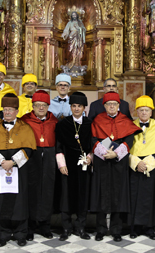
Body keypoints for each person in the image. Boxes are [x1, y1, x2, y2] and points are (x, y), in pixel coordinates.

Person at [0, 93, 37, 247]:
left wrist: (13, 162)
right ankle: (3, 234)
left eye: (11, 110)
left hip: (19, 171)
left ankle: (21, 233)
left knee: (20, 202)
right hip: (0, 171)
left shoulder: (25, 127)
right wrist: (2, 162)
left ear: (16, 111)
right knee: (1, 202)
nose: (7, 112)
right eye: (5, 109)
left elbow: (29, 149)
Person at [90, 92, 142, 242]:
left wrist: (116, 154)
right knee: (101, 194)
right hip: (102, 160)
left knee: (118, 195)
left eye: (114, 104)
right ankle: (100, 229)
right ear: (104, 106)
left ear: (119, 106)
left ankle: (116, 229)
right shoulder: (98, 120)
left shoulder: (125, 120)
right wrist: (105, 152)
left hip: (119, 162)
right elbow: (93, 138)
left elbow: (129, 140)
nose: (111, 106)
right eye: (108, 104)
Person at [21, 90, 59, 240]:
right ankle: (30, 226)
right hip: (31, 158)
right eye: (38, 105)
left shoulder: (54, 121)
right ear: (33, 106)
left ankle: (45, 225)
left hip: (49, 157)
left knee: (48, 191)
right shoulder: (24, 120)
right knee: (31, 190)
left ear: (48, 106)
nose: (41, 108)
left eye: (44, 105)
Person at [55, 92, 92, 241]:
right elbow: (58, 146)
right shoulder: (63, 124)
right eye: (74, 106)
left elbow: (94, 145)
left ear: (84, 108)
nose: (76, 109)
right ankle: (66, 228)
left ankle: (81, 227)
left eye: (79, 106)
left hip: (84, 166)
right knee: (66, 197)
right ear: (70, 107)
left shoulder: (90, 124)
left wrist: (90, 158)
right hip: (67, 166)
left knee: (82, 196)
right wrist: (61, 165)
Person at [128, 95, 155, 240]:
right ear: (136, 111)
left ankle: (150, 228)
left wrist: (146, 164)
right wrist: (136, 163)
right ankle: (134, 227)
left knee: (151, 197)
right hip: (135, 167)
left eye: (147, 110)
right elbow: (126, 147)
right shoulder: (130, 125)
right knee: (134, 196)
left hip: (151, 167)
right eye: (141, 110)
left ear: (151, 112)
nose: (144, 113)